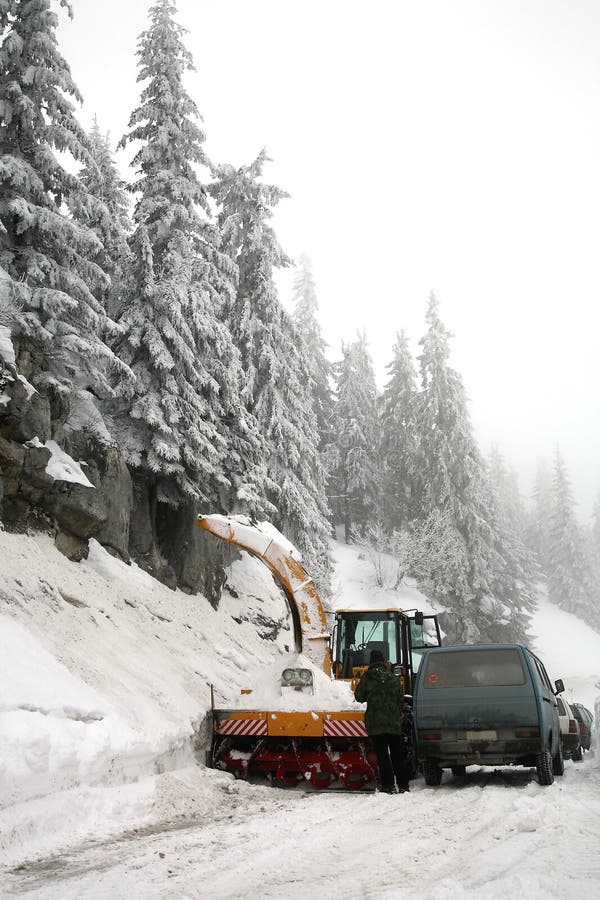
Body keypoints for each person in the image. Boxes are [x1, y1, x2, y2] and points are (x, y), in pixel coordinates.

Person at [354, 649, 409, 793]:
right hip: (393, 724)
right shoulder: (392, 677)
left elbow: (359, 696)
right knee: (397, 755)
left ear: (371, 662)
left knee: (383, 757)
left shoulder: (368, 677)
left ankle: (388, 786)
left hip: (376, 725)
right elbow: (400, 699)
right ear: (384, 661)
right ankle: (403, 785)